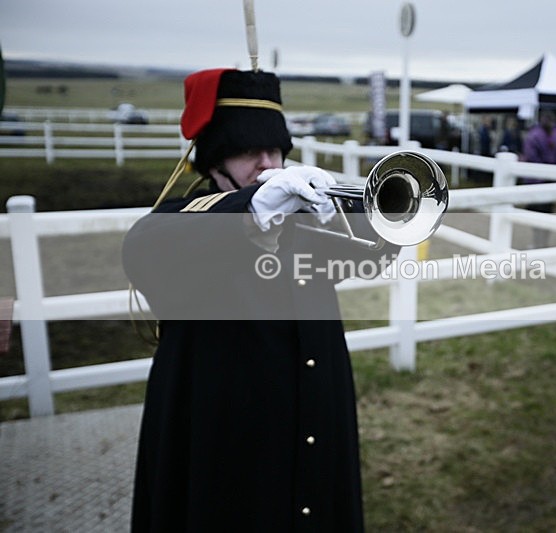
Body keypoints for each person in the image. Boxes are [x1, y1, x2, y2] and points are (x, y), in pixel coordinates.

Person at [123, 68, 397, 532]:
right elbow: (144, 250)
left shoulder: (298, 220)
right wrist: (253, 211)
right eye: (250, 151)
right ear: (214, 162)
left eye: (274, 151)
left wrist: (360, 209)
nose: (267, 165)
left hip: (312, 414)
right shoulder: (184, 218)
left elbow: (372, 256)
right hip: (226, 436)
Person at [519, 110, 556, 247]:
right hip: (553, 183)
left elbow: (530, 157)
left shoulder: (533, 136)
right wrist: (555, 172)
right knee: (548, 214)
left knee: (536, 214)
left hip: (535, 183)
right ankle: (543, 243)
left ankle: (537, 242)